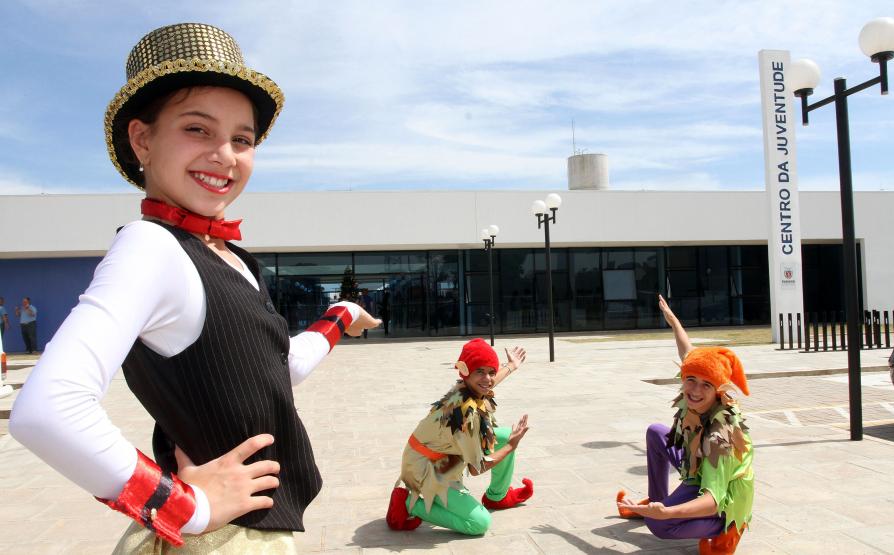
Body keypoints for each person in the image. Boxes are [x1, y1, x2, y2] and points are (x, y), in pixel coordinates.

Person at [10, 23, 380, 553]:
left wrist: (342, 313)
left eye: (242, 139)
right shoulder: (150, 246)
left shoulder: (226, 257)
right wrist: (187, 505)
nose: (225, 155)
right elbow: (47, 408)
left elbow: (277, 367)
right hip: (223, 539)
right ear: (142, 139)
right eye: (198, 129)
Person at [616, 295, 754, 555]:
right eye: (690, 380)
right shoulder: (697, 387)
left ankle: (722, 530)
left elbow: (713, 500)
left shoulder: (720, 437)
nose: (695, 390)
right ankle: (656, 503)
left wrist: (667, 513)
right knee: (656, 433)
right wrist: (673, 321)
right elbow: (688, 353)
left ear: (718, 390)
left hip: (723, 498)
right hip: (697, 468)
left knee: (659, 524)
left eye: (706, 385)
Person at [386, 338, 533, 535]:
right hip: (426, 471)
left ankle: (496, 497)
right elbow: (476, 468)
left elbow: (487, 382)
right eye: (480, 371)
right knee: (479, 523)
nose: (488, 379)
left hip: (442, 456)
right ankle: (409, 504)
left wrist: (511, 366)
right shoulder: (465, 415)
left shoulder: (467, 388)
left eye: (491, 371)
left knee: (505, 435)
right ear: (465, 371)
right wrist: (511, 446)